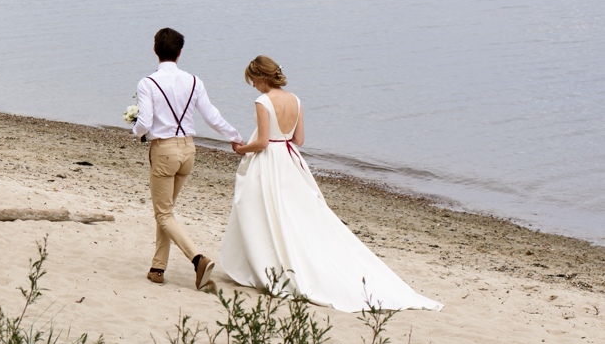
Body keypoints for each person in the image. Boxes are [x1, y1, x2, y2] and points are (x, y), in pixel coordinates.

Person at [219, 56, 441, 312]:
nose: (254, 86)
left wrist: (241, 149)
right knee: (294, 215)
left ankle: (267, 264)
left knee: (264, 212)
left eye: (254, 81)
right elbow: (299, 139)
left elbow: (262, 143)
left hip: (269, 162)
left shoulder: (263, 101)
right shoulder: (297, 101)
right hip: (290, 161)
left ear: (263, 77)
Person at [132, 28, 242, 289]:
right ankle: (157, 268)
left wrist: (134, 130)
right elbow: (212, 116)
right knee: (166, 212)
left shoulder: (147, 83)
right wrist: (235, 136)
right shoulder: (194, 81)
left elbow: (145, 123)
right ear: (180, 53)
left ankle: (198, 259)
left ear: (155, 50)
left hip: (164, 152)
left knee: (163, 213)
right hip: (188, 152)